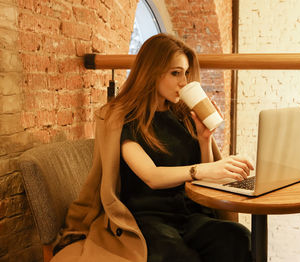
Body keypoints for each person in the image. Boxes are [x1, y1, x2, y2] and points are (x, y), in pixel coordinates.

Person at [52, 33, 253, 262]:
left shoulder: (184, 115)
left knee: (238, 238)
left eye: (186, 73)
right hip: (147, 219)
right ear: (151, 72)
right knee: (175, 256)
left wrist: (204, 138)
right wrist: (200, 170)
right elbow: (151, 176)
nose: (183, 82)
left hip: (191, 215)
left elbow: (205, 179)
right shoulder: (122, 119)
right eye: (175, 73)